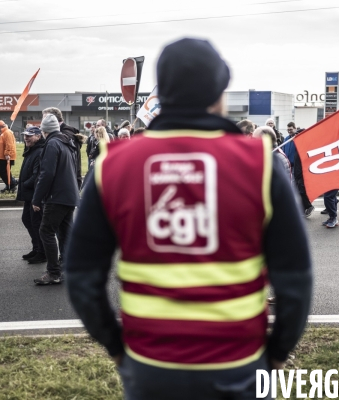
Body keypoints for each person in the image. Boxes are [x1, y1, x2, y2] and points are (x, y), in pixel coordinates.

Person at [65, 37, 312, 400]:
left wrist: (116, 346)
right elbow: (295, 279)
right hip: (239, 363)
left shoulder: (113, 165)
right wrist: (276, 354)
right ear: (219, 93)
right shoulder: (260, 164)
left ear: (163, 92)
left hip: (150, 366)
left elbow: (82, 276)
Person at [32, 114, 79, 285]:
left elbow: (47, 174)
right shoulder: (67, 142)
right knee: (65, 233)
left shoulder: (52, 143)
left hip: (56, 196)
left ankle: (53, 272)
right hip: (69, 195)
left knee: (46, 231)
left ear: (44, 131)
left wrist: (37, 199)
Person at [16, 127, 46, 265]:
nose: (26, 138)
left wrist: (24, 184)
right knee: (27, 220)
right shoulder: (31, 150)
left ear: (39, 136)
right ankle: (36, 248)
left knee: (36, 223)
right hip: (29, 194)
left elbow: (37, 176)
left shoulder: (39, 151)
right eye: (25, 135)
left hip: (35, 195)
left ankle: (42, 252)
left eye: (30, 135)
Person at [42, 107, 87, 189]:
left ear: (54, 119)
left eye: (45, 118)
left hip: (67, 183)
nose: (43, 122)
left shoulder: (65, 135)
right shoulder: (63, 133)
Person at [0, 120, 18, 193]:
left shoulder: (7, 133)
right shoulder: (3, 133)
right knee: (4, 171)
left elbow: (9, 144)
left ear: (0, 126)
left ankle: (12, 184)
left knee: (3, 171)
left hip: (6, 156)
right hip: (3, 156)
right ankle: (10, 184)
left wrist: (7, 154)